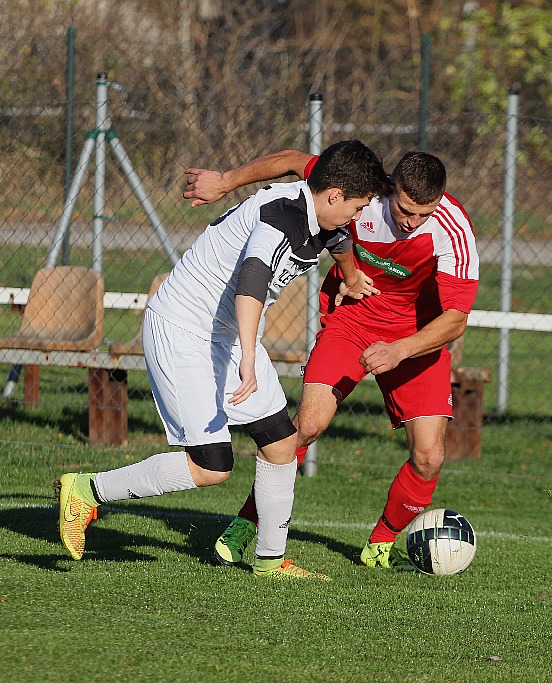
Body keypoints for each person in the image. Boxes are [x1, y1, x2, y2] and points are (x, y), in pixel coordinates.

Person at [56, 139, 390, 580]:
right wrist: (249, 358)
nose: (359, 217)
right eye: (357, 207)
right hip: (183, 332)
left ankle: (270, 562)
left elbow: (336, 232)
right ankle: (86, 490)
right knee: (211, 466)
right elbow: (250, 285)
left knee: (281, 444)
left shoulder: (322, 205)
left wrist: (350, 277)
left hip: (226, 334)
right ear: (333, 195)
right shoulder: (280, 221)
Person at [184, 148, 479, 570]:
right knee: (306, 425)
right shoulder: (366, 189)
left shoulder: (453, 231)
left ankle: (381, 543)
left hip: (415, 340)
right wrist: (226, 181)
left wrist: (399, 350)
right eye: (405, 210)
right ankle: (249, 523)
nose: (412, 222)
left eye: (423, 214)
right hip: (352, 322)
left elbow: (455, 320)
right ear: (390, 186)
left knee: (429, 456)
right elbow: (290, 159)